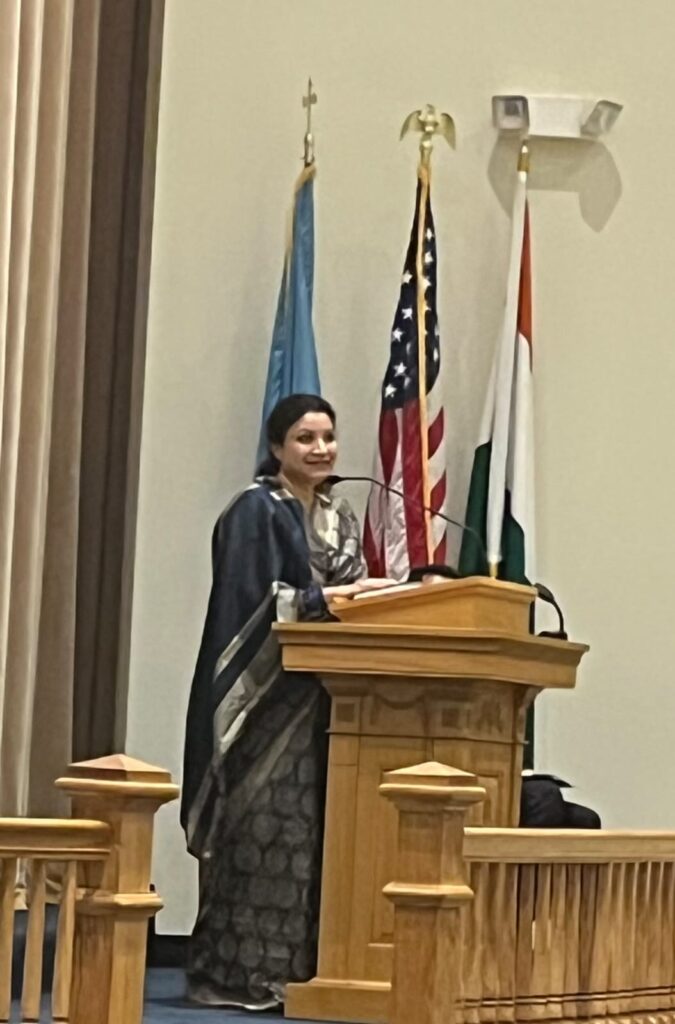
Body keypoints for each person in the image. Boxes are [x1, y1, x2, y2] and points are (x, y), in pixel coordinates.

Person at [181, 393, 390, 1011]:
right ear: (277, 448)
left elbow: (351, 593)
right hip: (263, 704)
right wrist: (328, 601)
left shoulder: (337, 514)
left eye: (328, 436)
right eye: (305, 438)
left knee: (312, 839)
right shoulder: (255, 510)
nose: (321, 449)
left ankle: (304, 970)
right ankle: (237, 974)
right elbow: (250, 602)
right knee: (264, 833)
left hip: (327, 700)